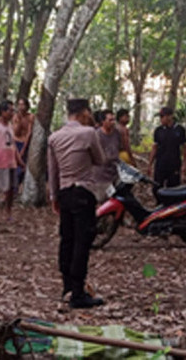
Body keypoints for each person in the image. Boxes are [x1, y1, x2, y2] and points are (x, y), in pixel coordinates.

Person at [48, 98, 106, 309]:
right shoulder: (89, 133)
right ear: (83, 113)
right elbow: (100, 160)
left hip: (64, 192)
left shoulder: (54, 137)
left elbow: (52, 171)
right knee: (82, 242)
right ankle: (78, 293)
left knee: (67, 239)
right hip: (83, 191)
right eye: (89, 112)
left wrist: (54, 197)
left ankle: (67, 286)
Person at [0, 100, 24, 224]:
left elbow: (12, 144)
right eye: (10, 110)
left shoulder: (10, 126)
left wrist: (19, 160)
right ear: (3, 112)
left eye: (13, 110)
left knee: (10, 190)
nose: (12, 113)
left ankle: (8, 213)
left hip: (11, 162)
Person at [147, 107, 186, 193]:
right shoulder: (158, 131)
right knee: (157, 187)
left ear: (170, 116)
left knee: (173, 188)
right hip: (160, 164)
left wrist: (185, 165)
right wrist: (150, 164)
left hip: (174, 164)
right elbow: (154, 148)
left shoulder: (179, 130)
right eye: (160, 117)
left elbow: (184, 149)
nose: (161, 119)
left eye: (163, 116)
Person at [91, 109, 121, 202]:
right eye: (110, 120)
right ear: (103, 122)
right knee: (102, 202)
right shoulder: (96, 135)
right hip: (101, 176)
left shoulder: (116, 133)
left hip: (115, 173)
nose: (113, 122)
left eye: (114, 120)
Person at [12, 97, 34, 188]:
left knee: (23, 167)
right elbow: (15, 132)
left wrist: (24, 149)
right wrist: (19, 121)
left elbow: (29, 133)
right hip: (16, 143)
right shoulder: (15, 117)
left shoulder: (31, 117)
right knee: (15, 167)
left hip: (26, 143)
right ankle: (14, 189)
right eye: (19, 105)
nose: (21, 107)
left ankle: (20, 187)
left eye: (23, 105)